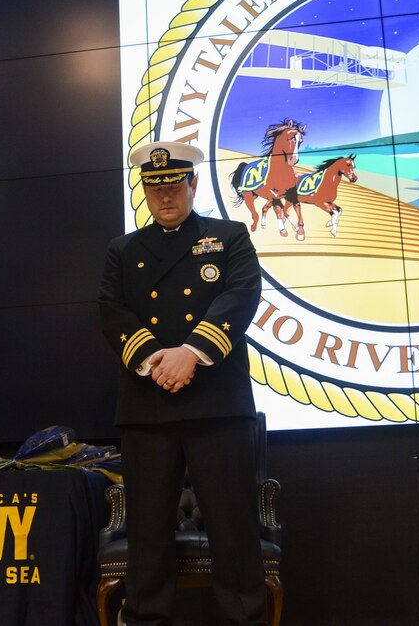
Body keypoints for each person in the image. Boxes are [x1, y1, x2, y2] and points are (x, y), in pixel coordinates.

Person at [99, 141, 267, 625]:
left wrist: (190, 353)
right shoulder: (123, 250)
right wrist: (157, 359)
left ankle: (244, 620)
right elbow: (112, 312)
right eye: (155, 189)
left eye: (173, 186)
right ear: (145, 193)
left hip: (217, 403)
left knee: (233, 528)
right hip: (148, 406)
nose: (165, 197)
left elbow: (240, 296)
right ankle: (147, 620)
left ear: (192, 184)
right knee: (149, 532)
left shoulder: (229, 236)